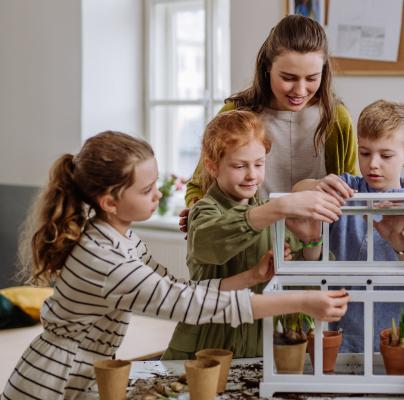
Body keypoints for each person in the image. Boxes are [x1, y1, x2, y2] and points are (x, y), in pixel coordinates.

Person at [2, 131, 350, 400]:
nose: (159, 195)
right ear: (110, 201)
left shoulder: (120, 238)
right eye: (148, 189)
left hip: (82, 371)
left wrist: (251, 276)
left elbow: (179, 290)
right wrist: (302, 302)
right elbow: (188, 305)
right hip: (52, 381)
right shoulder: (105, 260)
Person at [162, 110, 344, 360]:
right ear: (212, 167)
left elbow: (304, 286)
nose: (252, 175)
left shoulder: (274, 217)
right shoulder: (204, 210)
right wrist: (277, 208)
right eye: (240, 166)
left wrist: (312, 242)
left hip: (261, 349)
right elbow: (207, 244)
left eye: (259, 164)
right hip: (207, 345)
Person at [180, 14, 358, 232]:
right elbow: (198, 185)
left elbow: (352, 190)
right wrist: (199, 212)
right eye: (288, 78)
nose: (300, 91)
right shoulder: (236, 112)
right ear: (267, 68)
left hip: (317, 249)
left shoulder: (337, 119)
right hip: (250, 247)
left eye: (312, 78)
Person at [293, 100, 404, 353]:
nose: (373, 163)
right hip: (328, 344)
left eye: (385, 155)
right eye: (365, 153)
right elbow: (297, 191)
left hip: (385, 350)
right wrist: (316, 186)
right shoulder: (344, 187)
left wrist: (401, 244)